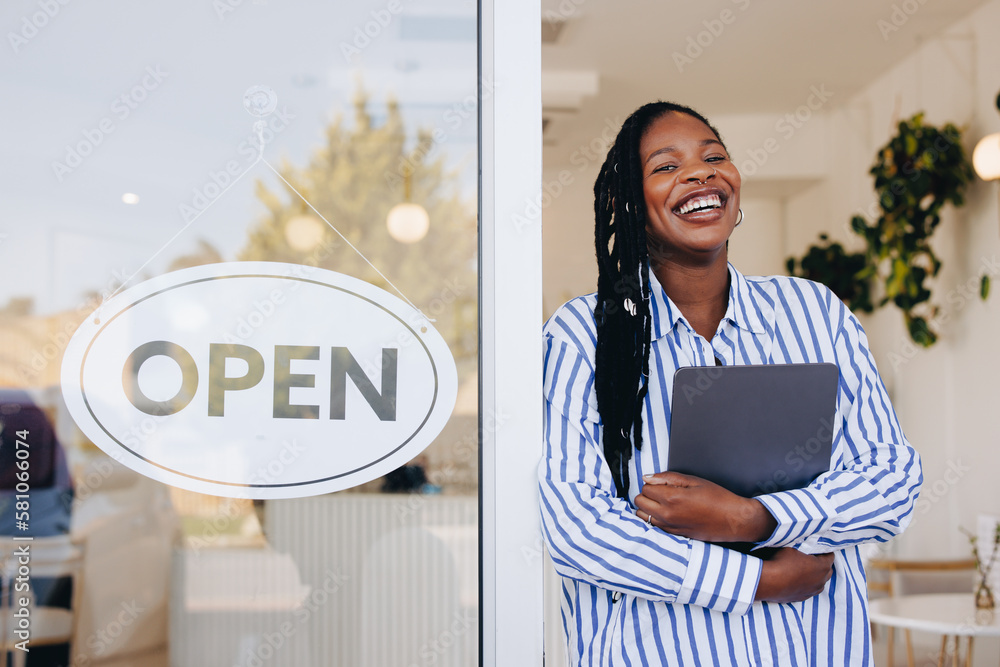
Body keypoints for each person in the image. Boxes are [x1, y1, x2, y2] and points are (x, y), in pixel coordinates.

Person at [538, 102, 923, 666]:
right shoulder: (582, 336)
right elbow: (578, 530)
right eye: (666, 167)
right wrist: (754, 581)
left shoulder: (814, 313)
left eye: (714, 157)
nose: (700, 173)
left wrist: (753, 518)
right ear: (626, 204)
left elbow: (892, 480)